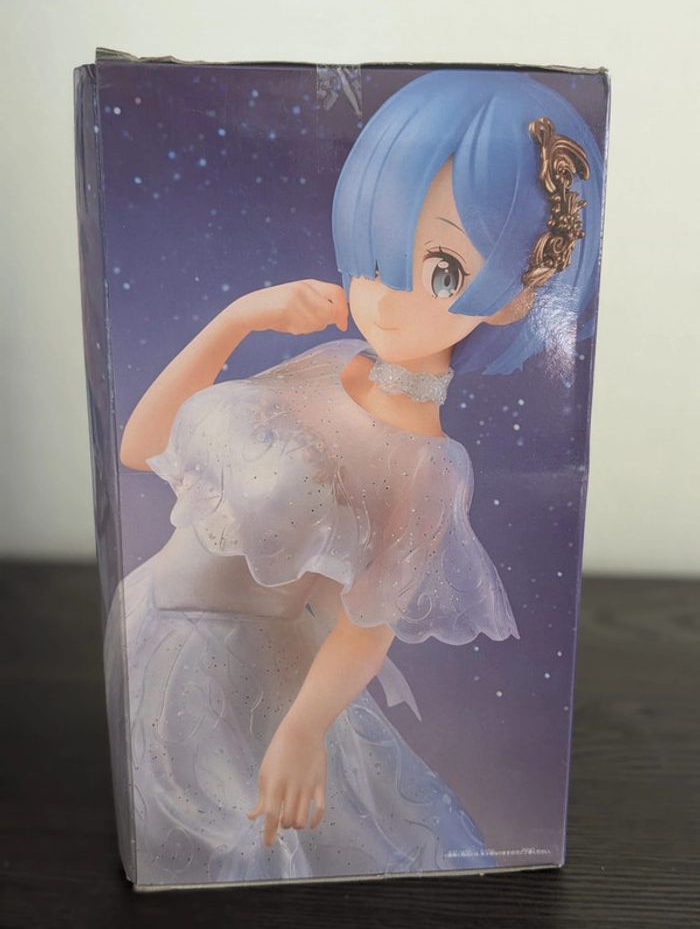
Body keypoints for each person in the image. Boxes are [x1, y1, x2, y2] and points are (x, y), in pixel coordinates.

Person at [107, 68, 603, 886]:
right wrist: (238, 318)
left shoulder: (428, 467)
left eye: (441, 271)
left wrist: (303, 728)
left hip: (224, 681)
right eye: (376, 250)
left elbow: (371, 621)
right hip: (144, 622)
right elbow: (142, 445)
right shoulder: (330, 360)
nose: (384, 295)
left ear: (516, 298)